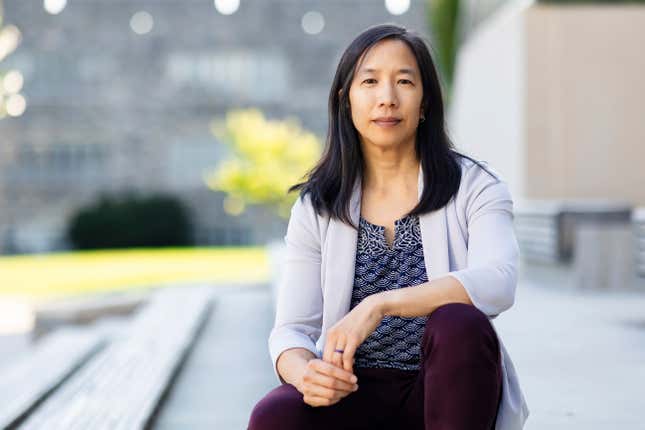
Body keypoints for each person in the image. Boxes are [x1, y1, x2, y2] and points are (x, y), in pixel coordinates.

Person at [248, 23, 529, 430]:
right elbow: (292, 330)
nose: (387, 98)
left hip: (445, 394)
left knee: (459, 324)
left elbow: (498, 281)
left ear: (425, 100)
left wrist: (378, 304)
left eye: (403, 81)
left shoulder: (474, 185)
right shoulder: (319, 205)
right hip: (353, 394)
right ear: (346, 101)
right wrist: (305, 373)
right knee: (273, 415)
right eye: (370, 82)